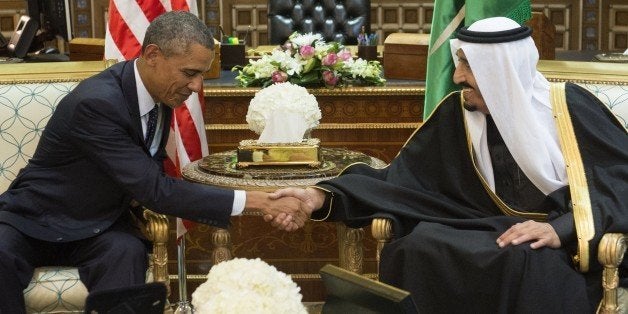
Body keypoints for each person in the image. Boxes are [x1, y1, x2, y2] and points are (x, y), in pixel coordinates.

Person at [270, 17, 628, 312]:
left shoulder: (569, 108)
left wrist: (560, 230)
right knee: (415, 248)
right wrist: (321, 196)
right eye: (460, 63)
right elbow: (399, 182)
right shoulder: (456, 116)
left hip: (559, 248)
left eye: (469, 66)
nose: (457, 77)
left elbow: (620, 184)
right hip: (479, 229)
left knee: (520, 261)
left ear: (500, 71)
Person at [0, 11, 303, 313]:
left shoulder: (161, 96)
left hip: (100, 225)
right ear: (153, 55)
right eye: (189, 73)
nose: (197, 86)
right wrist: (260, 201)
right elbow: (154, 189)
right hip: (32, 220)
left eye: (201, 74)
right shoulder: (97, 103)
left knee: (126, 252)